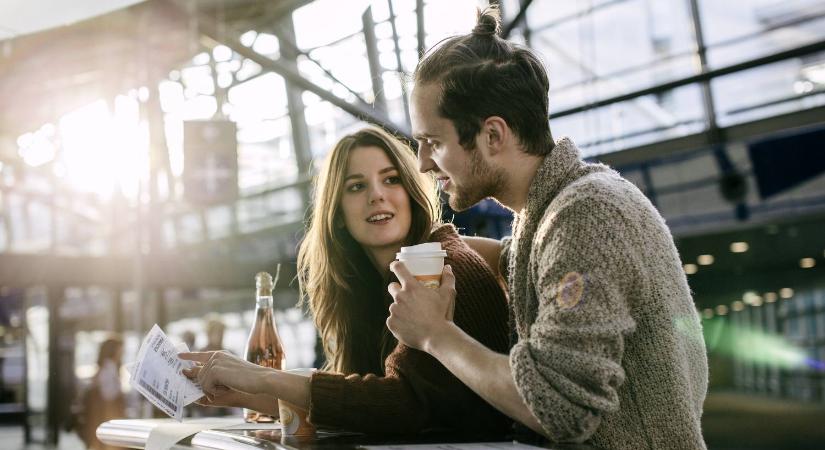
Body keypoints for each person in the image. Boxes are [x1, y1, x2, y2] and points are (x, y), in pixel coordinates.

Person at [385, 6, 708, 449]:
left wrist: (434, 334)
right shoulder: (550, 215)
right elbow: (526, 260)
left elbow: (560, 408)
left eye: (434, 142)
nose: (423, 163)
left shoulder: (588, 216)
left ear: (493, 136)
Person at [181, 126, 511, 434]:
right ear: (337, 215)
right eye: (356, 186)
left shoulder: (445, 267)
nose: (377, 195)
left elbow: (404, 405)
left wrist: (263, 378)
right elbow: (359, 403)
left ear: (411, 192)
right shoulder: (366, 289)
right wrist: (236, 392)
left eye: (391, 179)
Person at [76, 336, 126, 450]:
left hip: (101, 419)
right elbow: (109, 395)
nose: (122, 352)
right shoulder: (109, 368)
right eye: (121, 349)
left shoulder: (103, 368)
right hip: (106, 418)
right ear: (113, 350)